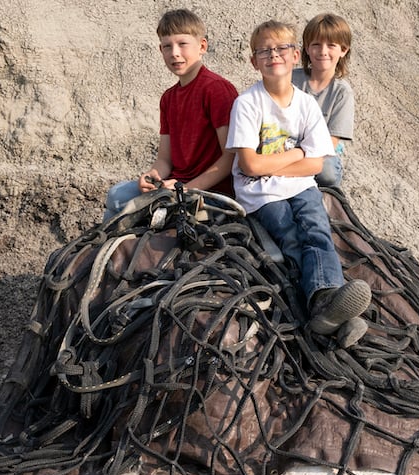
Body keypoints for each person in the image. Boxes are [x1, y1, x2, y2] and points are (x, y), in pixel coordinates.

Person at [226, 20, 370, 347]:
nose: (273, 55)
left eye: (280, 49)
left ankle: (327, 301)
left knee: (317, 231)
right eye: (264, 51)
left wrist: (275, 165)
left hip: (300, 185)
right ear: (253, 61)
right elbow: (249, 164)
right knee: (290, 235)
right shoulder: (248, 104)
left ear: (294, 56)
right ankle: (325, 311)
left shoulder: (305, 104)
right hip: (260, 194)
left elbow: (317, 163)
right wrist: (298, 153)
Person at [104, 9, 239, 220]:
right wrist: (151, 175)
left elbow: (230, 157)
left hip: (209, 191)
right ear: (161, 50)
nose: (174, 52)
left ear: (202, 46)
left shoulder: (216, 89)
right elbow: (164, 160)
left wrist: (186, 189)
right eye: (167, 46)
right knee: (116, 195)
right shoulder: (168, 98)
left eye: (182, 44)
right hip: (175, 185)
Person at [291, 13, 355, 188]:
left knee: (327, 172)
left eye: (331, 45)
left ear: (343, 50)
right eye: (316, 44)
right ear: (307, 47)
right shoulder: (290, 79)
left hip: (319, 153)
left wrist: (298, 156)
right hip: (285, 146)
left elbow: (330, 143)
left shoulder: (342, 92)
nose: (323, 51)